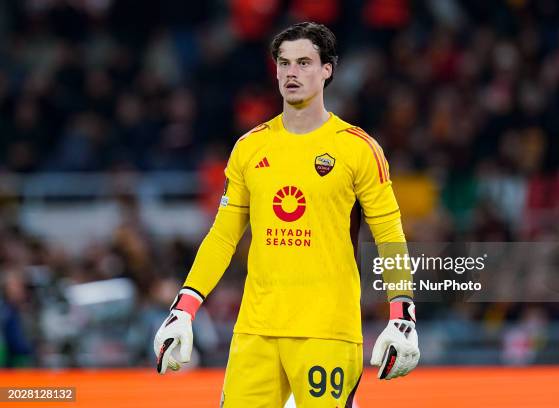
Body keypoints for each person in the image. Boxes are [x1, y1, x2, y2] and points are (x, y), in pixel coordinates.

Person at [154, 22, 420, 407]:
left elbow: (389, 235)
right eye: (284, 63)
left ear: (327, 69)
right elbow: (223, 236)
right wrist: (184, 308)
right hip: (256, 331)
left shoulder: (358, 149)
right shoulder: (250, 147)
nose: (291, 72)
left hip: (326, 331)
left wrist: (403, 312)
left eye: (304, 62)